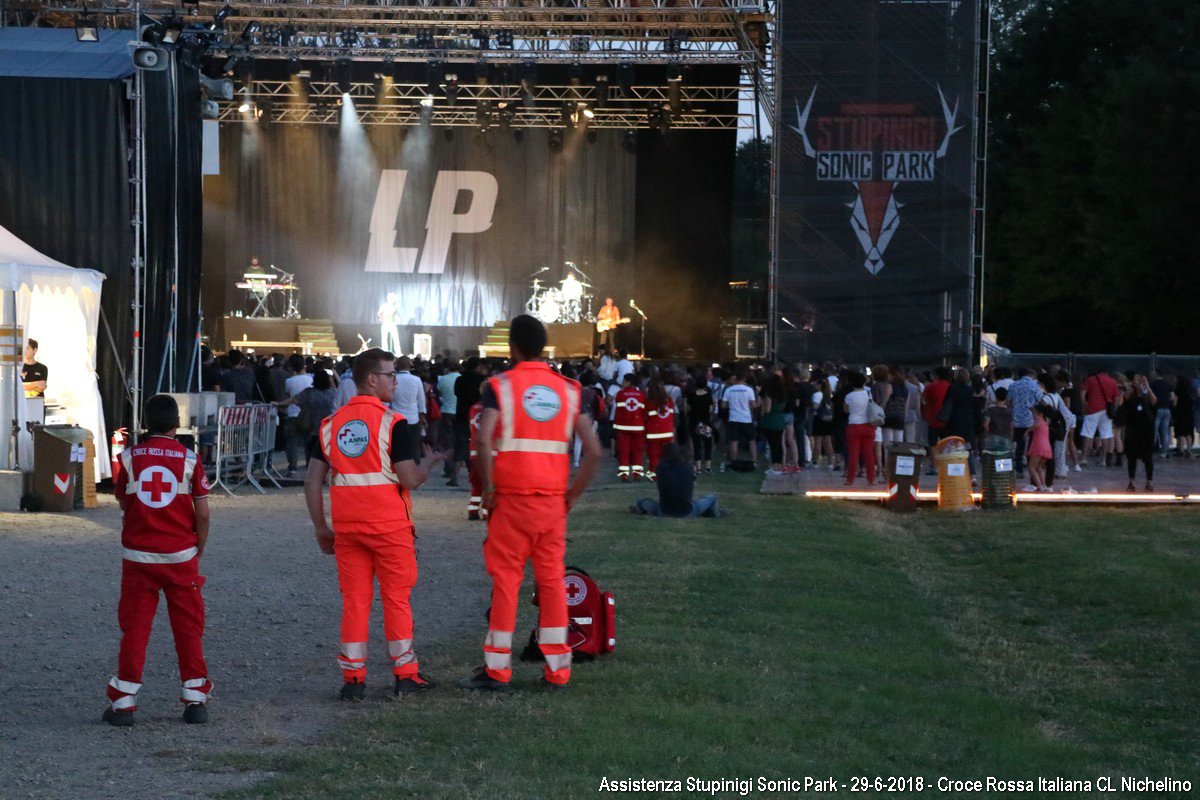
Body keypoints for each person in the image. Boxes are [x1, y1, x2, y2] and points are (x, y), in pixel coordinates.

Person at [459, 315, 602, 690]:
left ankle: (497, 670)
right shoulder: (571, 390)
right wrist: (570, 495)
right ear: (544, 346)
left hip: (509, 500)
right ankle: (558, 670)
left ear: (513, 347)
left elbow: (485, 439)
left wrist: (489, 489)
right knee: (552, 581)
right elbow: (594, 452)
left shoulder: (500, 387)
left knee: (507, 582)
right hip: (552, 502)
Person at [304, 348, 447, 700]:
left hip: (348, 528)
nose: (395, 382)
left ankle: (353, 679)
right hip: (390, 527)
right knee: (396, 599)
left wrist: (322, 528)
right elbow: (409, 479)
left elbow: (311, 482)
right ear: (372, 379)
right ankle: (405, 673)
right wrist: (428, 463)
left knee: (355, 601)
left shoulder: (330, 425)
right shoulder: (393, 424)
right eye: (390, 375)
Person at [104, 394, 212, 726]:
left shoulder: (130, 458)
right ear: (177, 424)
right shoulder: (190, 459)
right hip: (181, 557)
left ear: (146, 424)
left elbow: (124, 502)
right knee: (188, 627)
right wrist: (199, 547)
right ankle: (195, 699)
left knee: (135, 627)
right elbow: (203, 513)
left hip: (138, 558)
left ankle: (123, 701)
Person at [631, 444, 722, 517]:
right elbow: (692, 484)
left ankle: (643, 511)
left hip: (664, 511)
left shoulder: (660, 467)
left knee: (641, 501)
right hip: (687, 511)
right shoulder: (688, 467)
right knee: (711, 497)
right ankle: (717, 514)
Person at [1123, 374, 1157, 491]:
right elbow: (1125, 398)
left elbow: (1154, 401)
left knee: (1148, 458)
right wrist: (1133, 386)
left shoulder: (1148, 396)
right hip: (1133, 431)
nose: (1139, 383)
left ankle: (1149, 482)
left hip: (1147, 431)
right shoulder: (1131, 395)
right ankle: (1131, 481)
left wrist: (1147, 386)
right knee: (1131, 458)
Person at [1078, 368, 1119, 466]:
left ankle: (1084, 458)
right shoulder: (1112, 381)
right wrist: (1114, 409)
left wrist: (1084, 405)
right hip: (1107, 411)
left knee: (1088, 434)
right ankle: (1103, 460)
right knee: (1105, 435)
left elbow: (1082, 392)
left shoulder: (1091, 379)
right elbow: (1116, 397)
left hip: (1092, 409)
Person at [281, 355, 314, 477]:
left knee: (292, 443)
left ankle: (293, 468)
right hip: (308, 415)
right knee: (308, 443)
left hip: (293, 414)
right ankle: (309, 467)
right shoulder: (312, 378)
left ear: (291, 367)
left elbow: (287, 396)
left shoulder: (289, 381)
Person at [390, 356, 427, 461]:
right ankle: (415, 467)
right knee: (414, 446)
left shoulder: (393, 379)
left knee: (398, 447)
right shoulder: (416, 380)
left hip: (396, 418)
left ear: (397, 365)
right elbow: (421, 399)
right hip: (413, 418)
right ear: (410, 365)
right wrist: (422, 415)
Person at [842, 371, 875, 486]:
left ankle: (850, 479)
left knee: (853, 454)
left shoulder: (849, 396)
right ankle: (871, 479)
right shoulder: (868, 394)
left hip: (854, 426)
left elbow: (846, 410)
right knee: (869, 454)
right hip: (868, 426)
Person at [613, 372, 647, 481]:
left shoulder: (620, 394)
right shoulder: (641, 395)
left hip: (623, 428)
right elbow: (643, 411)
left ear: (628, 381)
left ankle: (624, 474)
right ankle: (637, 474)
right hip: (638, 427)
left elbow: (618, 410)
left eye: (623, 380)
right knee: (637, 451)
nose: (622, 383)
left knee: (624, 451)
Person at [721, 371, 758, 465]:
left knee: (734, 440)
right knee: (751, 440)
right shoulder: (749, 390)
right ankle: (754, 460)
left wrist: (730, 405)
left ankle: (734, 460)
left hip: (733, 418)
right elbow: (753, 405)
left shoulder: (729, 389)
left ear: (736, 378)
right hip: (746, 418)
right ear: (744, 379)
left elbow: (723, 405)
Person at [643, 378, 676, 481]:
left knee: (654, 456)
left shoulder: (649, 402)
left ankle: (654, 475)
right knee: (667, 457)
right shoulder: (669, 401)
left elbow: (644, 417)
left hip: (653, 434)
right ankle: (667, 475)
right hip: (667, 433)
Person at [1007, 368, 1041, 468]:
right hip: (1031, 420)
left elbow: (1008, 402)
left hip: (1016, 420)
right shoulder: (1035, 386)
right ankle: (1031, 466)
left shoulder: (1013, 385)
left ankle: (1018, 468)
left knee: (1019, 445)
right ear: (1032, 375)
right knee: (1031, 445)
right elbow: (1040, 401)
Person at [685, 372, 716, 474]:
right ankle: (708, 467)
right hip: (706, 422)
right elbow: (711, 408)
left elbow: (687, 408)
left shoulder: (691, 395)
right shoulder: (709, 396)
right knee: (707, 444)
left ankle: (698, 468)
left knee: (696, 444)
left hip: (694, 422)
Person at [759, 372, 788, 475]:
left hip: (770, 420)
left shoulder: (769, 394)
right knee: (779, 444)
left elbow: (767, 409)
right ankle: (779, 465)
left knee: (772, 444)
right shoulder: (783, 395)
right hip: (780, 420)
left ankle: (774, 466)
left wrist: (762, 406)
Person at [466, 399, 488, 520]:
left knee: (476, 483)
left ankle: (473, 510)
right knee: (489, 483)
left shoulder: (474, 408)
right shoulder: (493, 408)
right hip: (489, 452)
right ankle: (486, 512)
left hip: (474, 451)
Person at [1024, 404, 1053, 492]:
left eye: (1034, 413)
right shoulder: (1045, 422)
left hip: (1038, 446)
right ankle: (1044, 485)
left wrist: (1027, 431)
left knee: (1031, 467)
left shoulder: (1038, 421)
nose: (1033, 415)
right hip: (1046, 447)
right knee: (1039, 467)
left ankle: (1039, 485)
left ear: (1038, 413)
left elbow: (1036, 425)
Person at [1174, 373, 1194, 457]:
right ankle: (1189, 450)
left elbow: (1174, 403)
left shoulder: (1177, 391)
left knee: (1181, 432)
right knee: (1189, 432)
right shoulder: (1190, 391)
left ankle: (1181, 450)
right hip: (1189, 414)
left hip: (1180, 413)